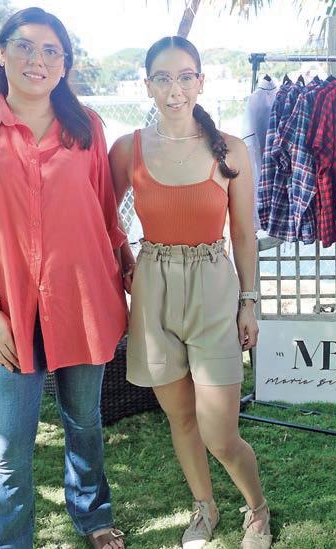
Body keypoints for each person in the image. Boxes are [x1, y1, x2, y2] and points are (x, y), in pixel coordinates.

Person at [0, 8, 128, 549]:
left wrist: (130, 270)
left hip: (84, 301)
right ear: (1, 53)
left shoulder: (87, 125)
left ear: (64, 64)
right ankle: (8, 541)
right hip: (7, 310)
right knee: (8, 445)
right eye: (24, 46)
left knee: (85, 421)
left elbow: (105, 215)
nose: (37, 60)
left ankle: (93, 516)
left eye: (51, 51)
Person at [109, 36, 272, 549]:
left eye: (185, 77)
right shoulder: (128, 148)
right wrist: (126, 260)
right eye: (162, 78)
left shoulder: (231, 149)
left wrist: (249, 302)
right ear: (147, 85)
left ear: (201, 81)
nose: (174, 89)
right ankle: (205, 507)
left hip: (213, 289)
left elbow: (243, 234)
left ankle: (257, 508)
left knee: (220, 432)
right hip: (154, 290)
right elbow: (104, 217)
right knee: (179, 417)